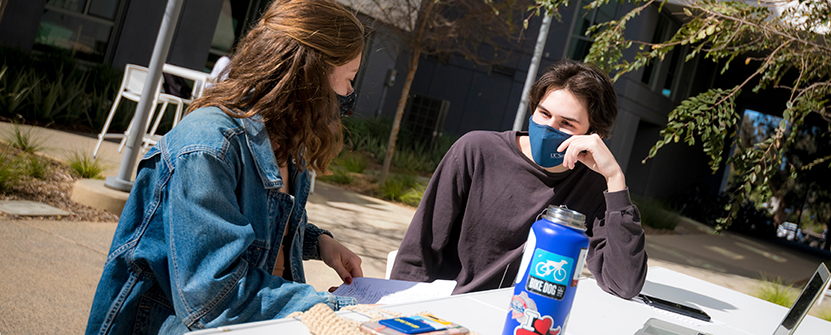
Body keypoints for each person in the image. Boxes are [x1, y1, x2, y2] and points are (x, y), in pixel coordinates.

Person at [85, 0, 365, 333]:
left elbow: (256, 221)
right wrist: (342, 310)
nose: (349, 92)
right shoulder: (206, 148)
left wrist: (318, 242)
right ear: (310, 73)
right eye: (349, 78)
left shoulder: (287, 142)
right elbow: (213, 297)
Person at [390, 60, 648, 299]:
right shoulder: (476, 150)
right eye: (543, 113)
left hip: (533, 319)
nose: (549, 127)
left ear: (594, 135)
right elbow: (418, 251)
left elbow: (624, 283)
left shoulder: (595, 186)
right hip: (451, 315)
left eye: (566, 123)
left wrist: (615, 179)